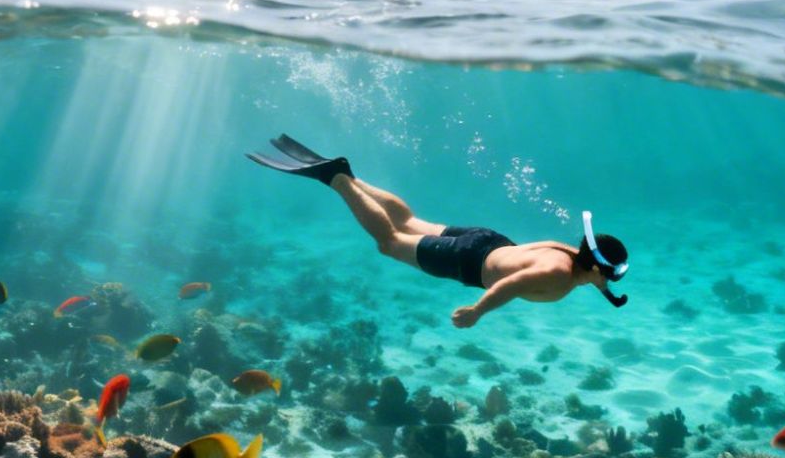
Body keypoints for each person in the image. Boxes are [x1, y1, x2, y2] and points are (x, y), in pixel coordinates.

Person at [247, 135, 628, 328]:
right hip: (467, 262)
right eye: (610, 274)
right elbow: (508, 287)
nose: (609, 281)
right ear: (594, 266)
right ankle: (337, 180)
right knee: (390, 241)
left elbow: (589, 272)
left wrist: (606, 288)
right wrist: (477, 312)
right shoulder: (558, 277)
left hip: (487, 240)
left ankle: (351, 175)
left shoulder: (566, 253)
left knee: (410, 221)